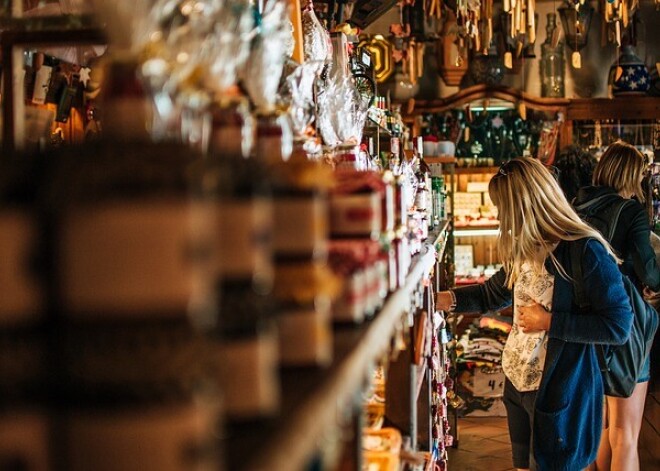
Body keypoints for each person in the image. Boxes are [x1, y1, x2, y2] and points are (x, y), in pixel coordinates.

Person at [436, 157, 634, 471]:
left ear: (526, 206)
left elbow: (618, 325)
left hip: (560, 390)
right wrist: (443, 299)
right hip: (518, 382)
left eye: (504, 209)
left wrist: (550, 322)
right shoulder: (526, 245)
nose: (501, 218)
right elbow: (492, 293)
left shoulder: (584, 251)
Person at [573, 140, 659, 471]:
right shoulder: (631, 212)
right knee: (626, 433)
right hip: (624, 323)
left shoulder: (576, 207)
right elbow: (648, 271)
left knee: (602, 426)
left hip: (586, 322)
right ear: (631, 175)